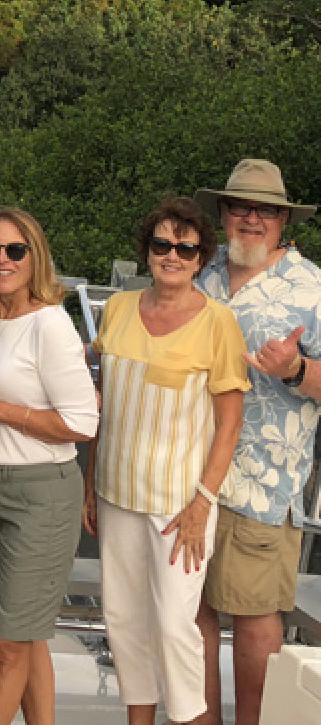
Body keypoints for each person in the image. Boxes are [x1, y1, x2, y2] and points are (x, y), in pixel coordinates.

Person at [83, 196, 249, 725]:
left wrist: (203, 502)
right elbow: (106, 405)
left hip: (180, 506)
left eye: (185, 248)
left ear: (201, 259)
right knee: (123, 620)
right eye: (161, 245)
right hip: (116, 495)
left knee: (176, 625)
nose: (171, 255)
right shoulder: (118, 310)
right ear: (147, 250)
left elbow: (230, 424)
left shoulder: (219, 322)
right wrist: (90, 485)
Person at [0, 209, 98, 725]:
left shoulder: (49, 324)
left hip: (38, 496)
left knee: (6, 646)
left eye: (15, 249)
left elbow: (82, 423)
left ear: (36, 256)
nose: (2, 260)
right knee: (24, 636)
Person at [192, 160, 321, 725]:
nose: (251, 218)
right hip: (185, 475)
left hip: (263, 483)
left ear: (284, 219)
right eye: (239, 207)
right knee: (188, 609)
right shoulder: (198, 269)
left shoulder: (312, 288)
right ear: (222, 214)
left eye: (265, 209)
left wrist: (296, 370)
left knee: (255, 616)